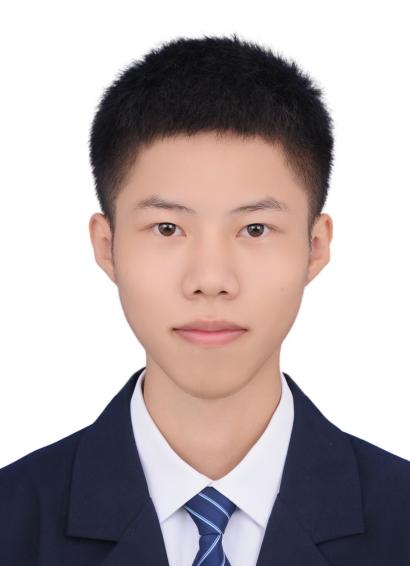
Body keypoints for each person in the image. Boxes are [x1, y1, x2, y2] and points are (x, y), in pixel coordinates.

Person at [1, 33, 409, 566]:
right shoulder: (12, 520)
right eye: (167, 228)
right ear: (107, 246)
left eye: (255, 229)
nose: (211, 279)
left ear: (315, 247)